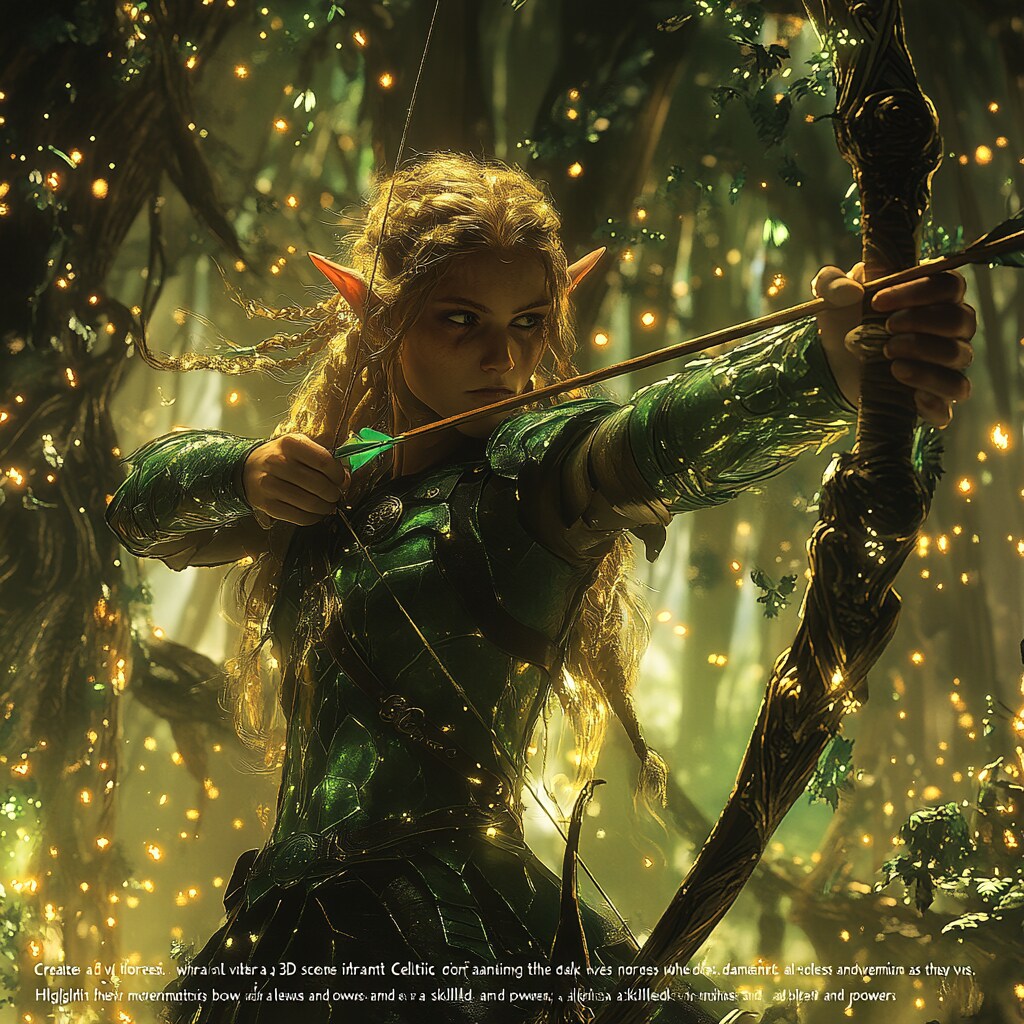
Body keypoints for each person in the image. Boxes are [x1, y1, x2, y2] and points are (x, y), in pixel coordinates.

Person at [106, 153, 975, 1024]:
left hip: (457, 931)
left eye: (529, 322)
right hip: (286, 923)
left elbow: (650, 439)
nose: (505, 356)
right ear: (378, 317)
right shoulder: (332, 484)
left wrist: (826, 366)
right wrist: (244, 473)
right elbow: (135, 508)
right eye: (461, 320)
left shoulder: (527, 481)